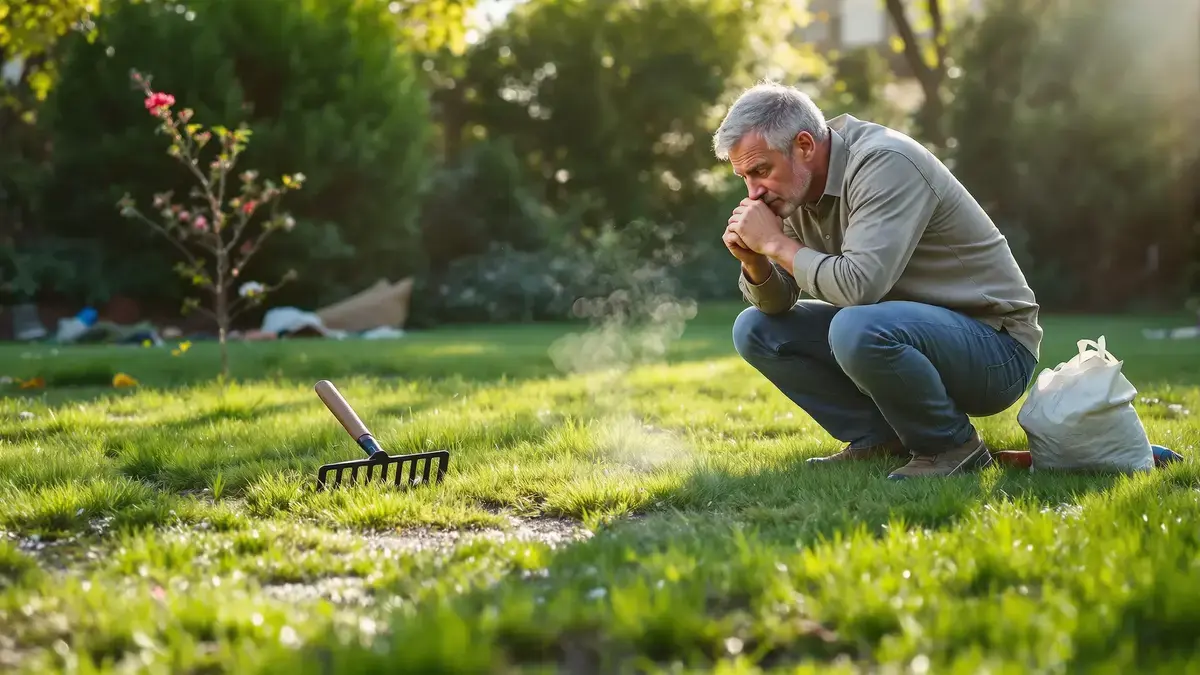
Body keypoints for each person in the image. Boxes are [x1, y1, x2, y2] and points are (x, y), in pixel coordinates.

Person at [714, 80, 1041, 479]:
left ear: (804, 145)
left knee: (855, 325)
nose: (753, 193)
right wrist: (755, 261)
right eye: (744, 177)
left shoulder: (885, 162)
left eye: (760, 171)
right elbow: (777, 305)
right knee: (755, 328)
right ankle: (879, 438)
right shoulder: (793, 192)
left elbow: (858, 287)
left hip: (995, 349)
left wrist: (774, 242)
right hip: (900, 332)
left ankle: (951, 447)